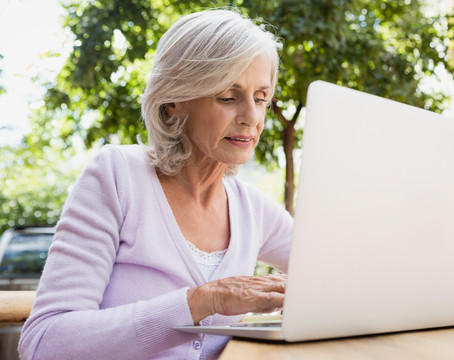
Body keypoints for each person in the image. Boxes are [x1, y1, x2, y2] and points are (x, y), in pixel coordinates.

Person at [18, 9, 292, 360]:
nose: (252, 118)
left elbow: (337, 273)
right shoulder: (118, 176)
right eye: (227, 97)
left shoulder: (253, 207)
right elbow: (44, 343)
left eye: (261, 98)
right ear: (175, 99)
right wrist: (205, 300)